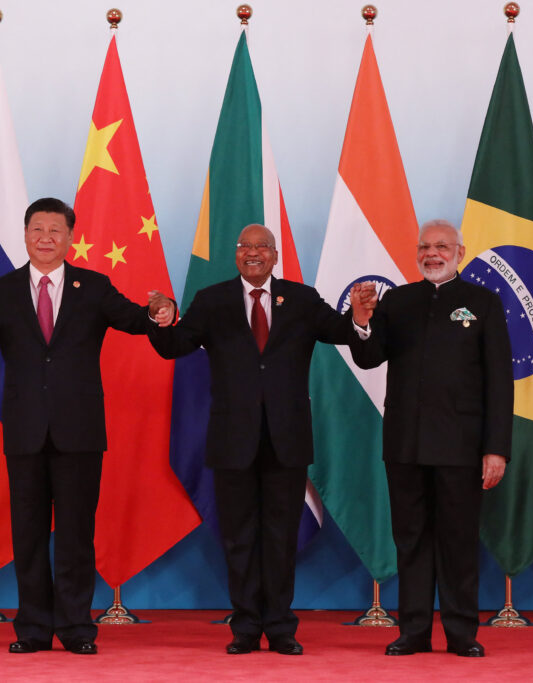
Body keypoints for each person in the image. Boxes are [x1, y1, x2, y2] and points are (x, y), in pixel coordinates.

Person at [0, 197, 172, 655]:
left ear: (70, 238)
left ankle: (76, 628)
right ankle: (33, 628)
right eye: (38, 229)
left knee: (76, 533)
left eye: (56, 230)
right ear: (25, 234)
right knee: (29, 534)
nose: (46, 239)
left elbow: (135, 318)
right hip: (24, 431)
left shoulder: (93, 286)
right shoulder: (4, 289)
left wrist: (160, 311)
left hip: (80, 432)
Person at [146, 223, 373, 656]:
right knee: (239, 537)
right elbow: (176, 345)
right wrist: (161, 321)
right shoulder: (212, 300)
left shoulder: (302, 300)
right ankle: (246, 628)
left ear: (274, 255)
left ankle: (282, 628)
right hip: (232, 441)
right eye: (244, 246)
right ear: (236, 254)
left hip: (286, 440)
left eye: (261, 247)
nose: (253, 253)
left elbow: (343, 333)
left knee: (281, 537)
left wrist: (359, 321)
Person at [350, 219, 512, 658]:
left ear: (461, 252)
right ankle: (414, 632)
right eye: (424, 247)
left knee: (458, 541)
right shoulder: (398, 301)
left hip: (462, 447)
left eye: (442, 246)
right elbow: (367, 358)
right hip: (405, 446)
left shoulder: (483, 302)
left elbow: (500, 382)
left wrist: (495, 448)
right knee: (412, 540)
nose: (432, 253)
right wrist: (361, 322)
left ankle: (462, 633)